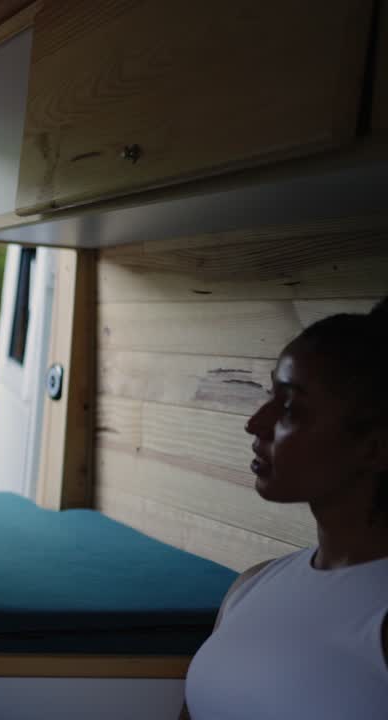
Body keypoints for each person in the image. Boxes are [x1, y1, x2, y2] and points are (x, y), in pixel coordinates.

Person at [179, 298, 388, 718]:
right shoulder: (251, 586)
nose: (255, 422)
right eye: (270, 395)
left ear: (374, 446)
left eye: (290, 407)